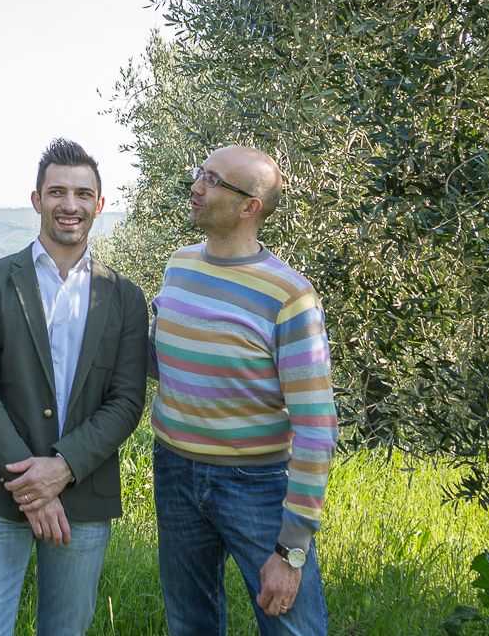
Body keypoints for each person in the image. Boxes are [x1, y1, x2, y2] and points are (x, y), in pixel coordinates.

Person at [0, 139, 149, 635]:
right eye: (57, 191)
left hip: (84, 495)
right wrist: (31, 487)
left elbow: (126, 401)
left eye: (83, 194)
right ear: (37, 199)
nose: (70, 205)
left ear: (99, 205)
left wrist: (62, 469)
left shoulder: (124, 297)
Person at [150, 145, 338, 636]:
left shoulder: (289, 296)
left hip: (255, 485)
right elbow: (168, 365)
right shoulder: (179, 266)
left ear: (249, 206)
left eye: (212, 180)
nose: (196, 186)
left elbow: (317, 429)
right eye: (199, 173)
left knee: (291, 626)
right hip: (174, 471)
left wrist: (291, 547)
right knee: (190, 623)